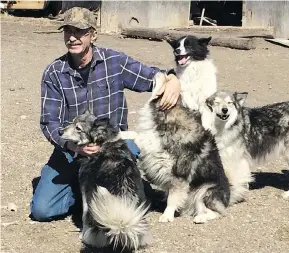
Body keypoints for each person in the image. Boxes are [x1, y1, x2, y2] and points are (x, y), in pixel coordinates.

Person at [30, 7, 181, 221]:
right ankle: (86, 194)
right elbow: (49, 122)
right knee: (42, 211)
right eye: (67, 31)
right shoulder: (54, 73)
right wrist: (73, 146)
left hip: (114, 146)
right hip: (73, 149)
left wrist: (172, 79)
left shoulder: (114, 62)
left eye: (80, 31)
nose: (72, 37)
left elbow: (152, 77)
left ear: (93, 34)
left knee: (131, 205)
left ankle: (121, 193)